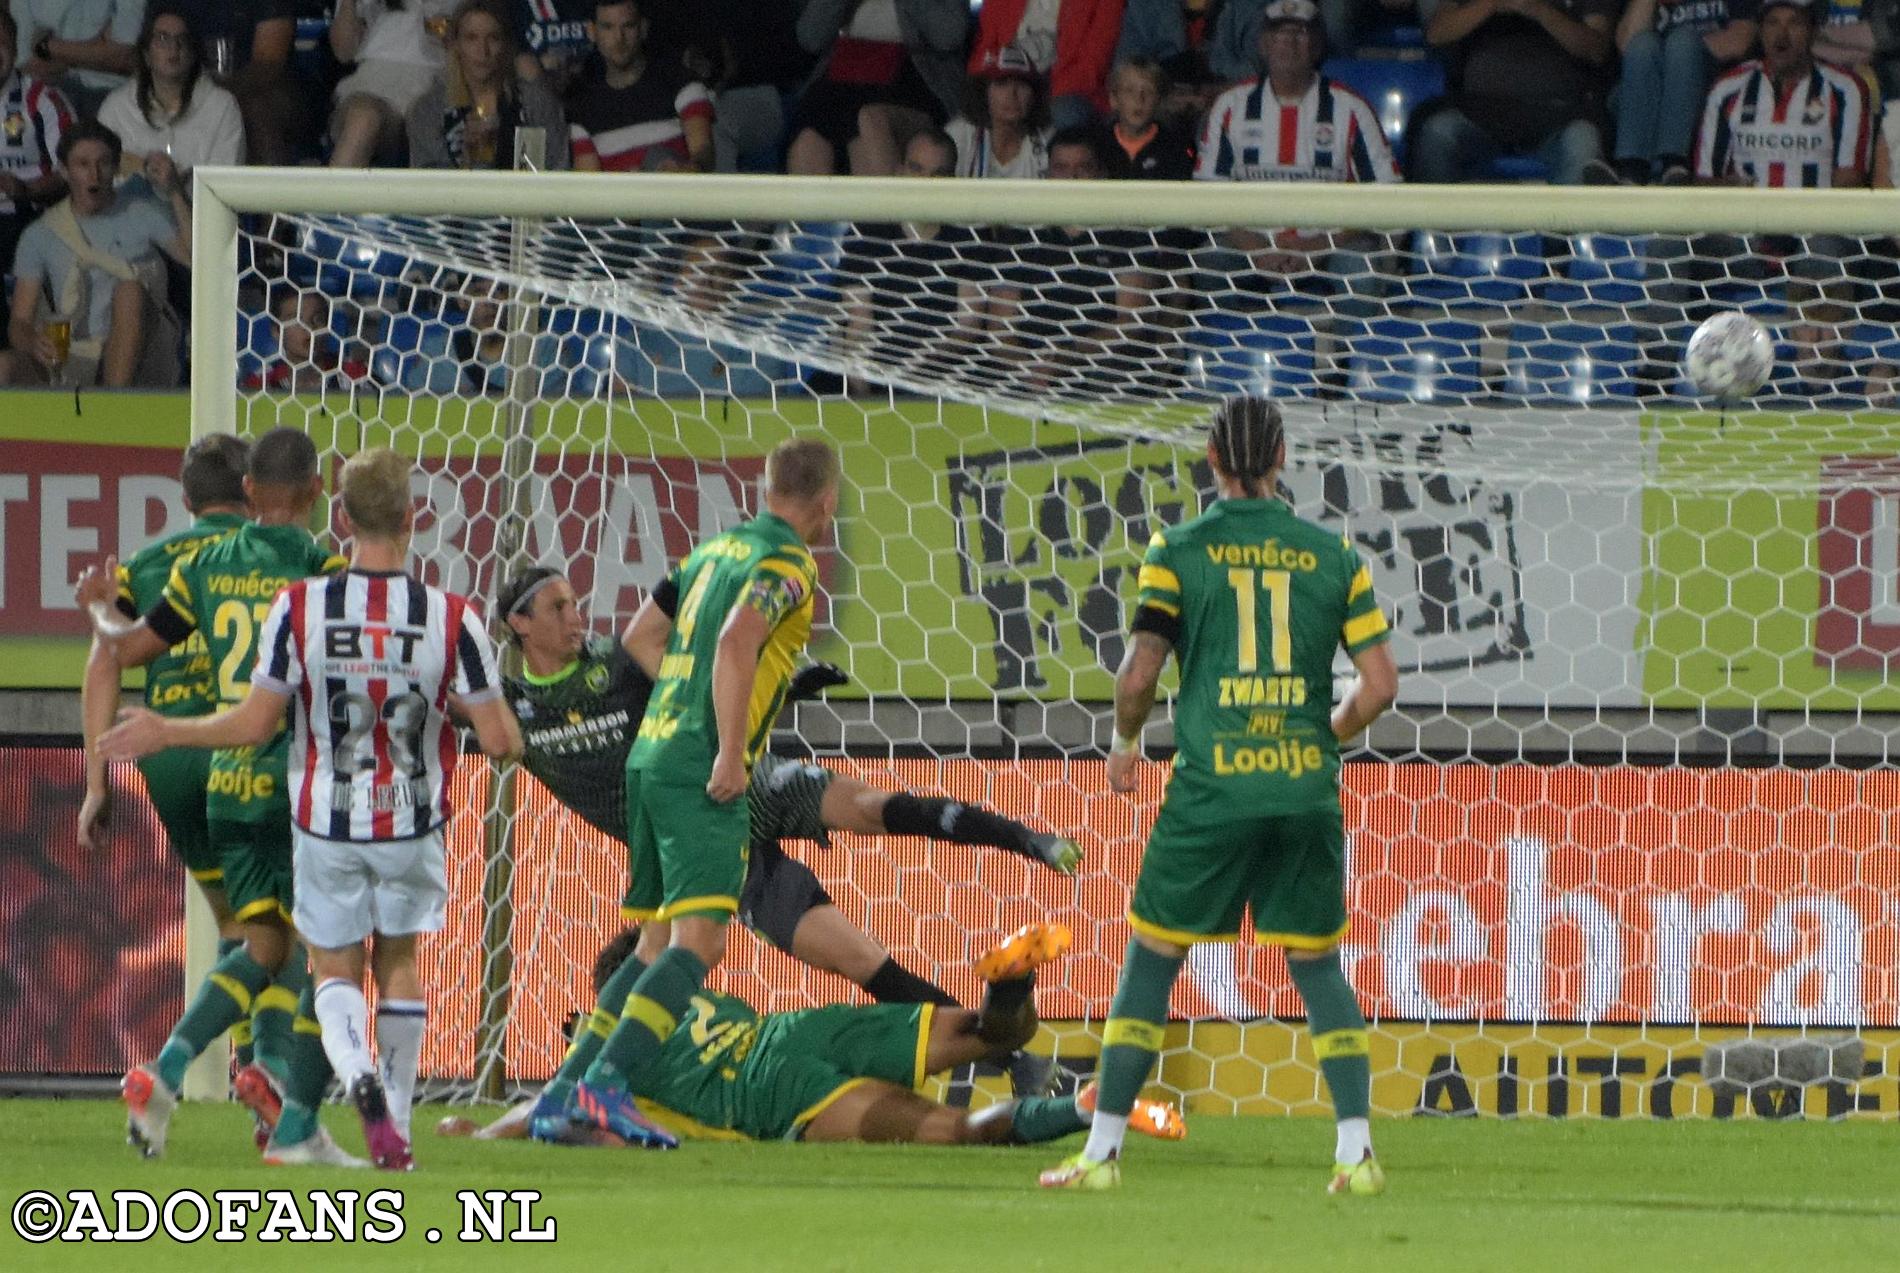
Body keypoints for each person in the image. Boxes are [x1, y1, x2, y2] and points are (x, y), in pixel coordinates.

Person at [492, 564, 1081, 1096]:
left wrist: (783, 691)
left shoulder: (619, 666)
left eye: (574, 603)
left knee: (875, 806)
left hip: (748, 784)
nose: (576, 617)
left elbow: (709, 688)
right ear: (519, 623)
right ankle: (1010, 1060)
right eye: (557, 607)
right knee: (860, 961)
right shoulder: (510, 712)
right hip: (709, 846)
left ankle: (1028, 840)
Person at [101, 446, 523, 1173]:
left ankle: (219, 1076)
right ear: (413, 516)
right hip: (381, 809)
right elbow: (498, 737)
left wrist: (164, 724)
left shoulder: (273, 595)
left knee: (290, 954)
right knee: (374, 961)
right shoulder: (415, 604)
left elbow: (214, 698)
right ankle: (348, 1115)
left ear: (342, 513)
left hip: (276, 798)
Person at [1040, 397, 1399, 1194]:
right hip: (1304, 791)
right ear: (1281, 459)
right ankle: (1356, 1151)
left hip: (1213, 791)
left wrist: (1126, 744)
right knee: (1317, 965)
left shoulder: (1178, 549)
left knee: (1152, 960)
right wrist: (1324, 737)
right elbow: (1380, 686)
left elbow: (1138, 673)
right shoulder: (1334, 557)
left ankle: (1099, 1155)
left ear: (1211, 457)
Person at [539, 438, 841, 1149]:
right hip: (701, 765)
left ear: (768, 488)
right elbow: (739, 642)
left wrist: (682, 695)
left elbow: (643, 634)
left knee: (652, 944)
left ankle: (561, 1095)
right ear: (826, 503)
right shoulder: (789, 562)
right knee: (699, 941)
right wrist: (731, 749)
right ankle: (606, 1085)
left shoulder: (711, 552)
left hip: (649, 755)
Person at [80, 428, 358, 1167]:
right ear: (306, 492)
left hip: (218, 776)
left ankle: (170, 1071)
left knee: (259, 939)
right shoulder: (314, 563)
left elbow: (121, 647)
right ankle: (297, 1112)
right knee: (321, 948)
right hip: (287, 775)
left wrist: (101, 607)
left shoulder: (194, 562)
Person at [443, 922, 1186, 1146]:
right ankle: (1012, 980)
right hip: (805, 1029)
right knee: (991, 1032)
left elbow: (548, 1109)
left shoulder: (615, 1035)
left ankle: (1085, 1107)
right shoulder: (711, 996)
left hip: (775, 1091)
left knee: (957, 1131)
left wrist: (478, 1136)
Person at [1194, 0, 1397, 296]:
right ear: (1262, 44)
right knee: (1206, 262)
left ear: (1317, 45)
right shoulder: (1230, 106)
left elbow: (1386, 194)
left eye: (1300, 33)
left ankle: (1349, 343)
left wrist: (1319, 246)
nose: (1288, 42)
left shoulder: (1351, 107)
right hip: (1249, 244)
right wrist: (1257, 249)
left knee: (1362, 272)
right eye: (1278, 33)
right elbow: (1207, 196)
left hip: (1331, 246)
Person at [0, 119, 188, 389]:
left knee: (130, 291)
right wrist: (33, 342)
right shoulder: (40, 234)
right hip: (71, 356)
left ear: (115, 168)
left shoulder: (143, 211)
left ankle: (111, 404)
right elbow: (19, 323)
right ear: (65, 171)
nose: (95, 175)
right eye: (83, 165)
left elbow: (196, 257)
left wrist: (174, 193)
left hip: (144, 349)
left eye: (104, 163)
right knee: (4, 366)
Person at [1412, 0, 1617, 184]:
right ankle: (1437, 225)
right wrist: (1491, 4)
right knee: (1437, 132)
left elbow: (1596, 50)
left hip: (1560, 111)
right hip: (1479, 110)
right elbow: (1437, 33)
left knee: (1584, 143)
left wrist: (1538, 10)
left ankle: (1564, 224)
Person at [1693, 0, 1870, 189]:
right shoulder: (1726, 89)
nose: (1782, 36)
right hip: (1745, 215)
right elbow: (1704, 180)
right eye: (1772, 23)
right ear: (1760, 32)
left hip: (1815, 216)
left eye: (1795, 23)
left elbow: (1849, 182)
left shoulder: (1845, 89)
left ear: (1813, 32)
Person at [784, 0, 967, 177]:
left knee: (868, 125)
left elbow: (949, 35)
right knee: (809, 135)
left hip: (913, 78)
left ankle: (879, 207)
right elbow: (809, 38)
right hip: (843, 74)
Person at [1585, 0, 1757, 184]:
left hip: (1707, 89)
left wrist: (1680, 55)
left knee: (1681, 43)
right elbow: (1628, 44)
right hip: (1647, 89)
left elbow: (1740, 40)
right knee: (1643, 45)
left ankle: (1673, 163)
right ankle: (1632, 167)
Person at [408, 0, 569, 170]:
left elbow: (555, 169)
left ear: (506, 45)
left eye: (493, 38)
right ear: (455, 45)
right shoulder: (429, 109)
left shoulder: (534, 102)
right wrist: (468, 157)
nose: (482, 50)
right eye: (471, 38)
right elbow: (430, 185)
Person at [98, 9, 246, 188]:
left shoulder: (222, 107)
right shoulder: (116, 107)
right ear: (146, 54)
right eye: (162, 39)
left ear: (193, 53)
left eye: (182, 40)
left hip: (197, 214)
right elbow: (100, 176)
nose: (173, 48)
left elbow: (226, 186)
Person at [564, 0, 710, 172]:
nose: (619, 37)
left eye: (628, 26)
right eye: (608, 27)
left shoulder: (680, 83)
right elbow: (588, 186)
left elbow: (703, 153)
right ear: (592, 32)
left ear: (643, 28)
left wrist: (685, 170)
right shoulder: (583, 107)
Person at [327, 0, 459, 168]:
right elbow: (343, 53)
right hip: (375, 81)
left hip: (440, 81)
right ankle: (333, 193)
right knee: (363, 118)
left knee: (427, 117)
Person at [968, 0, 1128, 129]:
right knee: (970, 107)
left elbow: (1092, 67)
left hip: (1067, 90)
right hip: (1008, 78)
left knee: (1065, 113)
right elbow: (986, 48)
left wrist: (1036, 92)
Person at [0, 8, 72, 280]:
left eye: (1, 42)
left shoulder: (43, 101)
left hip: (28, 219)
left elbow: (69, 172)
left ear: (15, 45)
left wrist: (25, 190)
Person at [13, 0, 143, 118]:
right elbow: (25, 63)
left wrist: (47, 46)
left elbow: (124, 57)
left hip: (119, 92)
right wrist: (98, 52)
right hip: (54, 90)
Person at [946, 43, 1054, 178]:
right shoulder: (959, 136)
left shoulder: (1049, 140)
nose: (1012, 94)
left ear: (1035, 95)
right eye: (1001, 83)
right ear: (983, 92)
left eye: (1022, 84)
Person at [1095, 57, 1196, 179]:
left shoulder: (1175, 148)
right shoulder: (1096, 145)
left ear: (1159, 100)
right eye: (1130, 91)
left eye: (1149, 91)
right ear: (1114, 99)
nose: (1139, 99)